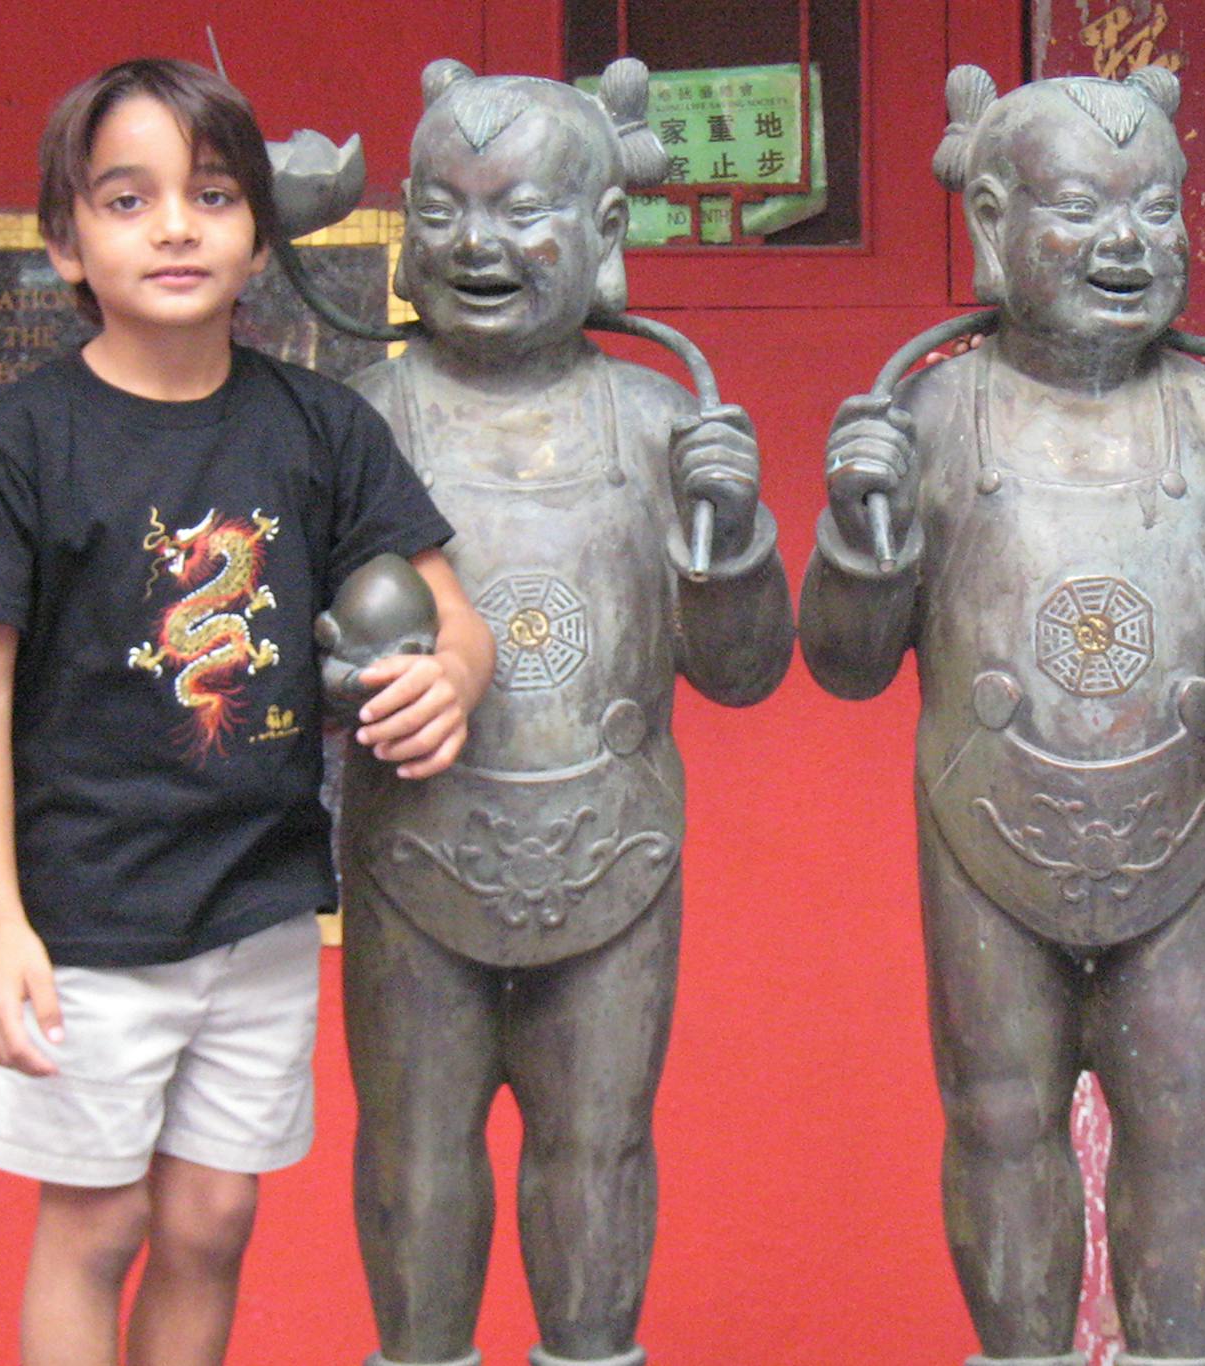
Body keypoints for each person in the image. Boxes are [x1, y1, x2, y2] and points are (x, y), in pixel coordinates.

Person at [0, 58, 492, 1366]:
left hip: (258, 899)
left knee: (214, 1215)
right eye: (128, 199)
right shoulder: (20, 444)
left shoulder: (320, 428)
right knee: (98, 1220)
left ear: (259, 236)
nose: (175, 226)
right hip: (86, 912)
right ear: (66, 242)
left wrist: (450, 677)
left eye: (213, 194)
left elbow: (454, 618)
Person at [800, 66, 1205, 1366]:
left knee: (1185, 1130)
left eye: (1155, 209)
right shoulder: (935, 414)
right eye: (1082, 208)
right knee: (998, 1122)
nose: (1125, 242)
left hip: (1185, 834)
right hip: (987, 834)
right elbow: (846, 663)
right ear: (993, 223)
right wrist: (862, 533)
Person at [334, 60, 792, 1366]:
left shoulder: (654, 421)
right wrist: (344, 675)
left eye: (521, 210)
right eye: (443, 210)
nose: (477, 244)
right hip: (415, 852)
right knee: (414, 1152)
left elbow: (745, 670)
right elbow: (300, 646)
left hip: (614, 851)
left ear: (604, 233)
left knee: (598, 1148)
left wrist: (732, 535)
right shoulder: (363, 420)